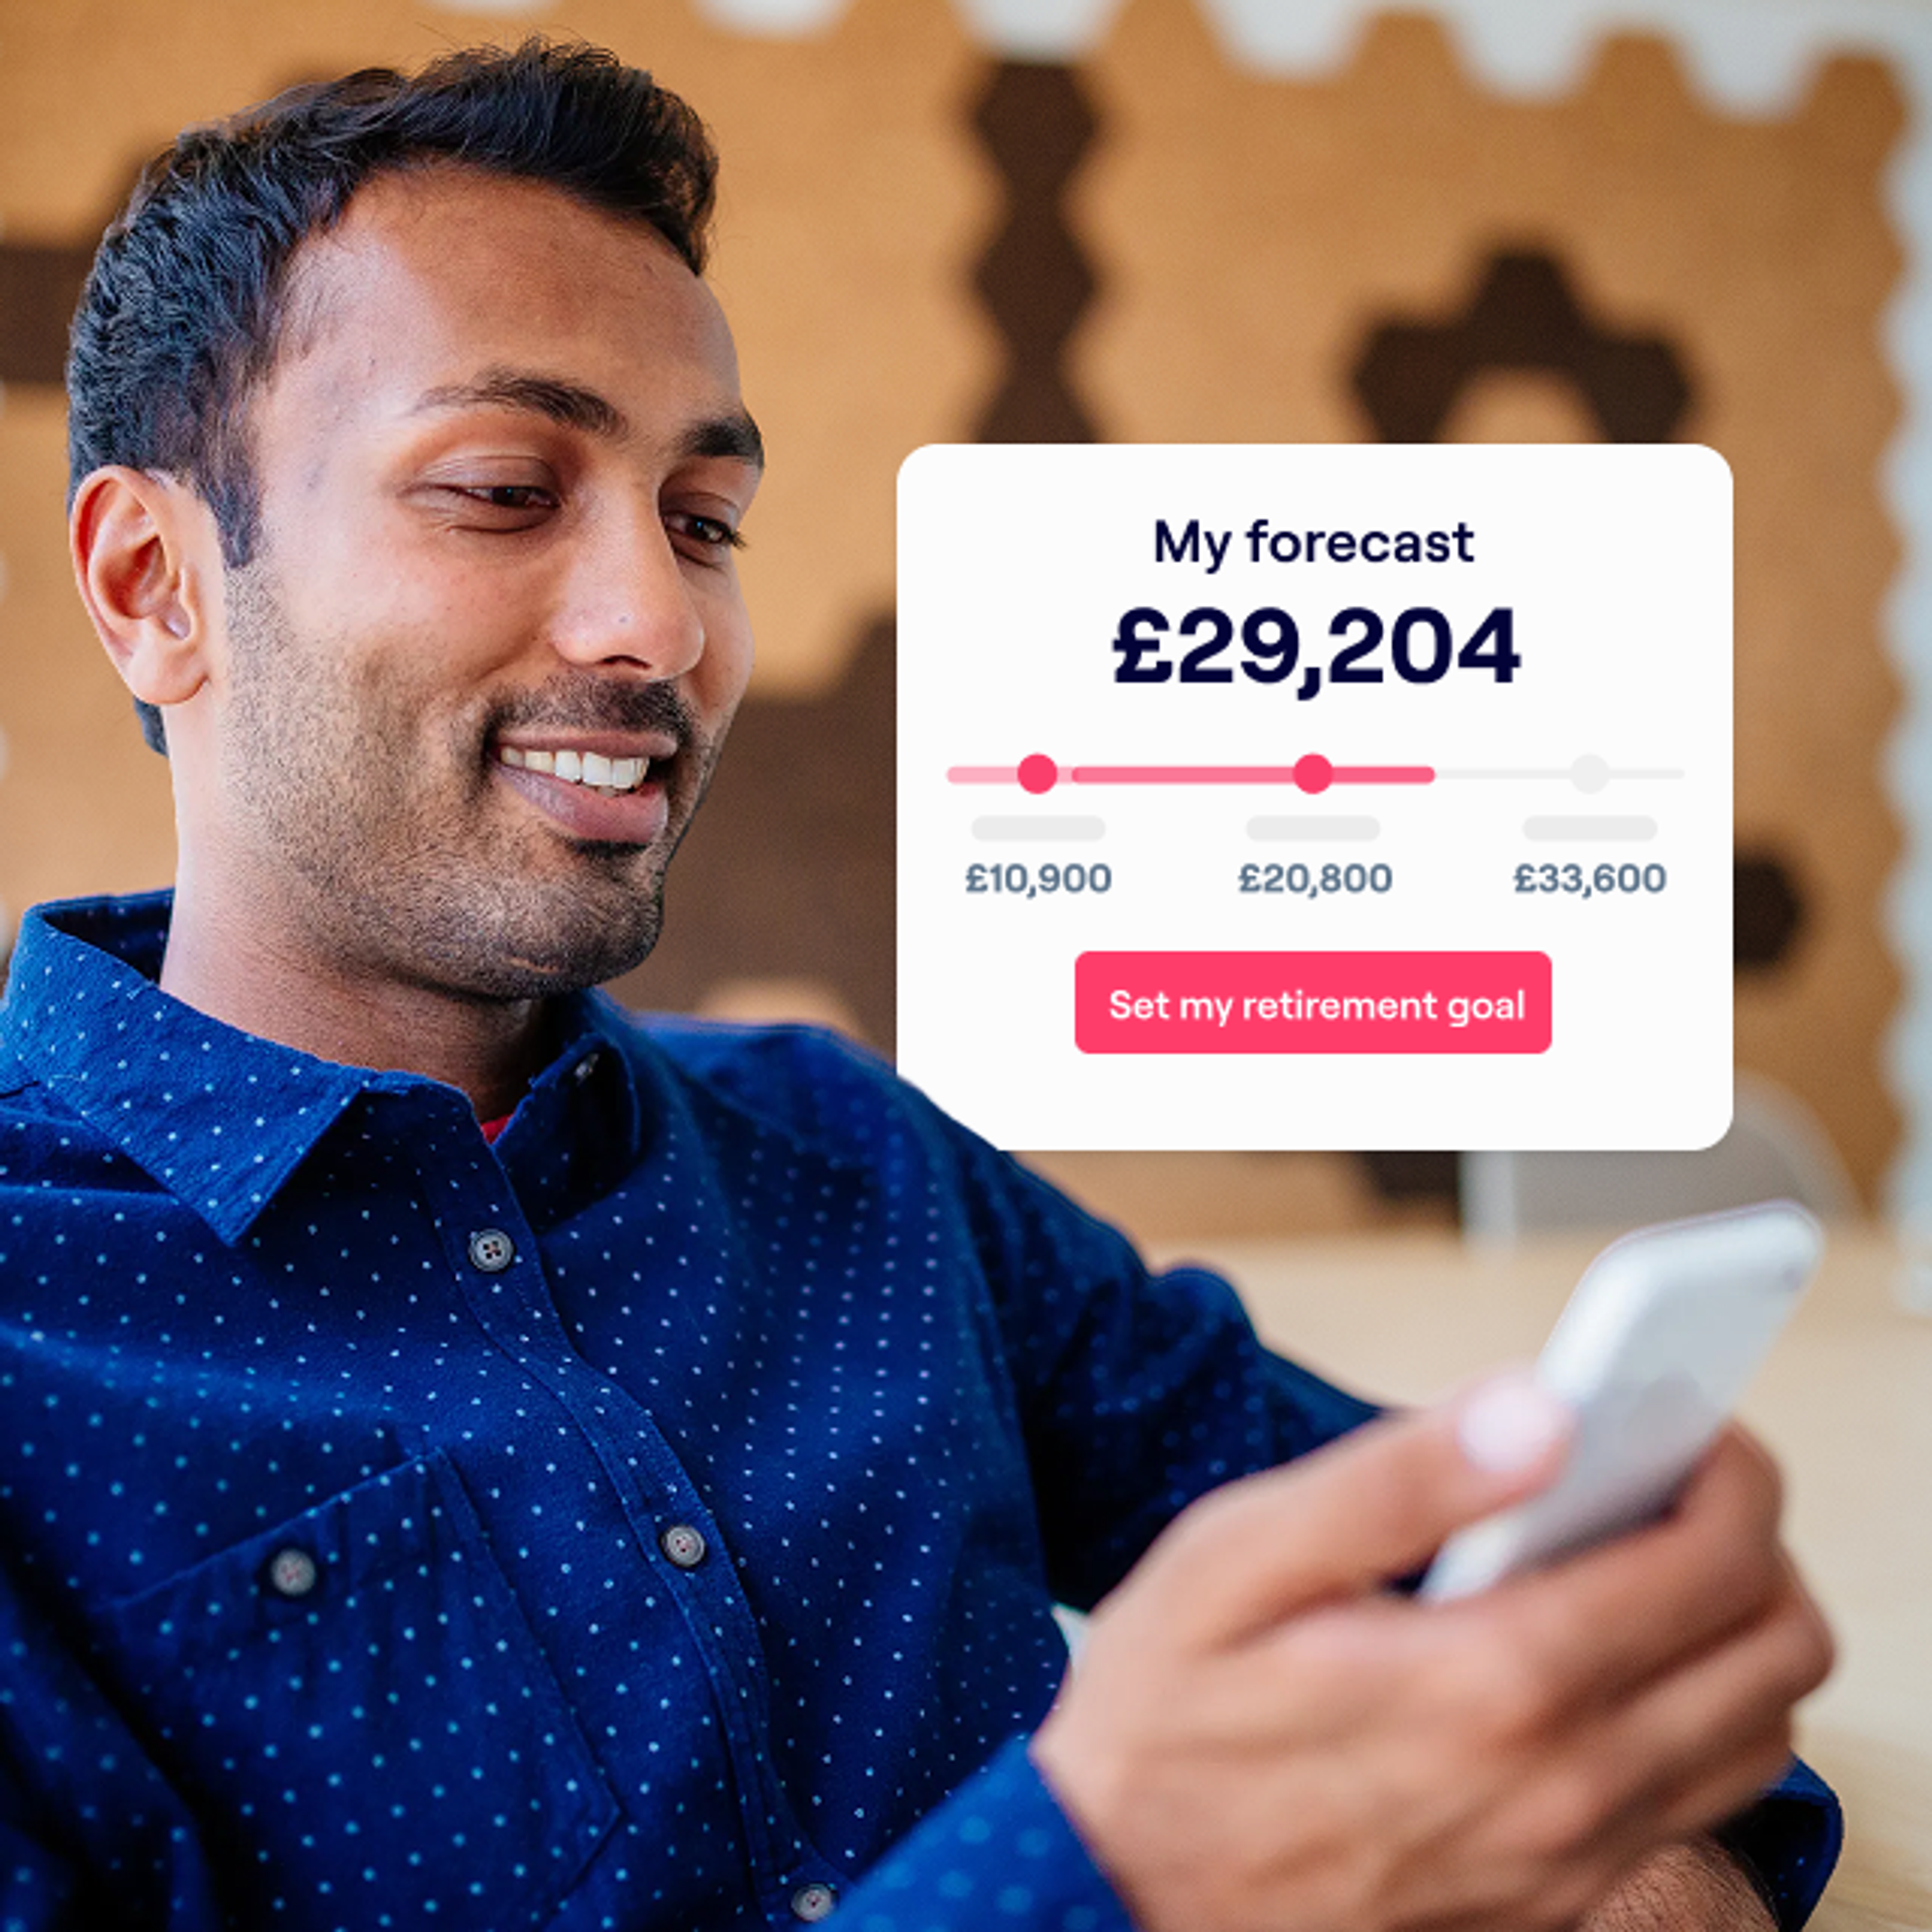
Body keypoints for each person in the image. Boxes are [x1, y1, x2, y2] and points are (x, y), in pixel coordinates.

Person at [0, 40, 1835, 1932]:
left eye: (704, 520)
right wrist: (1111, 1867)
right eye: (500, 488)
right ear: (154, 584)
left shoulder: (854, 1158)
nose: (662, 624)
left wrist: (1623, 1810)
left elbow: (1531, 1652)